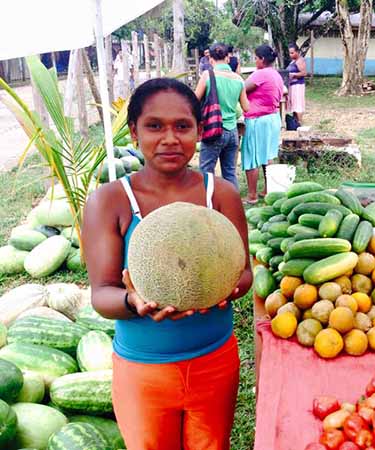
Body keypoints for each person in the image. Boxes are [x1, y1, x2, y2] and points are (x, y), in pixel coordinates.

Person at [82, 78, 252, 450]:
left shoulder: (221, 194)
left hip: (215, 362)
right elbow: (102, 294)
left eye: (182, 126)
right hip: (144, 371)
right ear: (134, 132)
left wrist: (227, 289)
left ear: (199, 130)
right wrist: (134, 303)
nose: (170, 138)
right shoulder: (109, 201)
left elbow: (244, 274)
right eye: (154, 126)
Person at [195, 43, 249, 189]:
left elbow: (194, 101)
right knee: (230, 173)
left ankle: (209, 206)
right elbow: (246, 107)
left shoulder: (207, 75)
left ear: (210, 59)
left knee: (206, 172)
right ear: (227, 58)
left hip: (213, 130)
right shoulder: (238, 79)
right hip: (232, 132)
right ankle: (234, 206)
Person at [241, 45, 284, 204]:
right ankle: (267, 190)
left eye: (256, 58)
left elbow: (241, 89)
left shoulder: (260, 74)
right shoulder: (276, 75)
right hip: (272, 118)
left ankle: (251, 196)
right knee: (267, 156)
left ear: (263, 59)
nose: (255, 61)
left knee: (252, 157)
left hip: (257, 119)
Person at [286, 43, 307, 125]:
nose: (291, 55)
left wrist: (293, 75)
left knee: (298, 104)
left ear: (297, 52)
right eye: (290, 53)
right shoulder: (293, 61)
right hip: (292, 86)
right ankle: (295, 123)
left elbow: (304, 73)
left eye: (292, 53)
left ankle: (299, 122)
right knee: (294, 104)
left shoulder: (300, 61)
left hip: (298, 86)